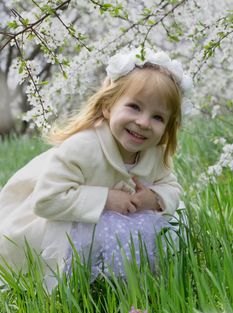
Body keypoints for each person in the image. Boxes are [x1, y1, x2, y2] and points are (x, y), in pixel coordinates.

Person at [0, 47, 193, 291]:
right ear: (108, 106)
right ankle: (77, 289)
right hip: (57, 221)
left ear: (167, 128)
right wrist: (105, 199)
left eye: (158, 117)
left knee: (174, 219)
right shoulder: (83, 147)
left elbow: (171, 187)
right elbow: (46, 200)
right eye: (134, 107)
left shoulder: (155, 154)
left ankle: (124, 286)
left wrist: (154, 198)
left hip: (110, 223)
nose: (143, 122)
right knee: (94, 229)